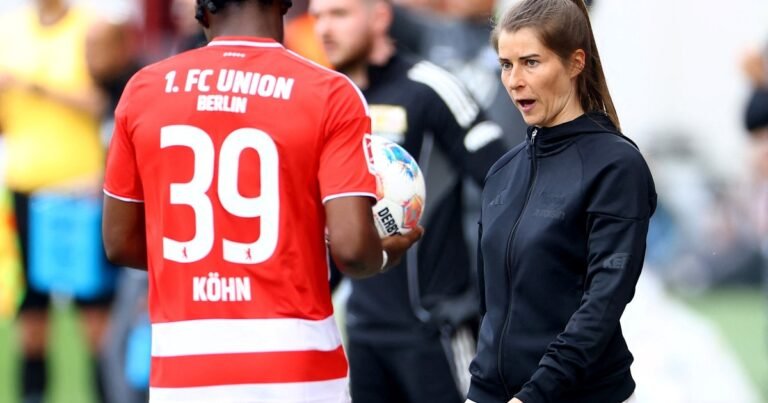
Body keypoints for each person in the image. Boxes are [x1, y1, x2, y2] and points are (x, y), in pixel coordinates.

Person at [101, 1, 422, 402]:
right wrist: (383, 255)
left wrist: (211, 260)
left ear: (202, 9)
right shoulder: (331, 92)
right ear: (285, 3)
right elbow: (353, 250)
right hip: (297, 367)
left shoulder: (145, 89)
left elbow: (119, 242)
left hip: (184, 366)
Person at [310, 0, 507, 402]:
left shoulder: (431, 88)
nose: (325, 29)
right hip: (362, 332)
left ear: (380, 17)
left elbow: (507, 182)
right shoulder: (326, 101)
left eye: (340, 14)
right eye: (317, 17)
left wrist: (494, 297)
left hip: (434, 329)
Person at [467, 1, 656, 402]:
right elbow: (492, 309)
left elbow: (603, 304)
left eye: (531, 62)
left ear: (575, 63)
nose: (514, 80)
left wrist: (535, 394)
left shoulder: (616, 165)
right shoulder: (502, 171)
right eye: (505, 64)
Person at [0, 1, 112, 402]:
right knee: (29, 316)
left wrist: (36, 86)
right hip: (25, 189)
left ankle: (106, 393)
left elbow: (106, 102)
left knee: (94, 316)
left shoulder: (92, 29)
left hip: (79, 192)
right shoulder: (10, 31)